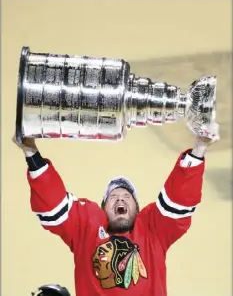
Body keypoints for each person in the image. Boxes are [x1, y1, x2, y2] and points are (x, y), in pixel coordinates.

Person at [13, 122, 220, 296]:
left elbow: (179, 201)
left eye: (126, 196)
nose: (120, 199)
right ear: (103, 208)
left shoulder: (152, 230)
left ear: (138, 210)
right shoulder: (87, 226)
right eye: (113, 197)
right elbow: (54, 206)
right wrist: (30, 151)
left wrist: (200, 148)